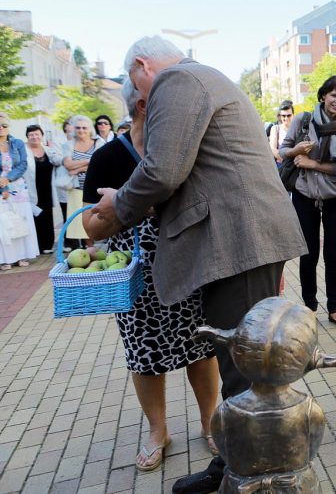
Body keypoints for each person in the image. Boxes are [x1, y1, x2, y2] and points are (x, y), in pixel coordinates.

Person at [90, 35, 307, 494]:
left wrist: (116, 209)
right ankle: (236, 464)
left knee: (247, 372)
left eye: (137, 90)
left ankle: (253, 474)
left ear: (142, 66)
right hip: (239, 241)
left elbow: (163, 171)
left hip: (238, 243)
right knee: (245, 365)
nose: (142, 103)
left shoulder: (176, 80)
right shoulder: (198, 78)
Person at [82, 77, 219, 472]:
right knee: (144, 355)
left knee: (202, 347)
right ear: (144, 106)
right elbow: (91, 226)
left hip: (188, 264)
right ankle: (158, 431)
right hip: (135, 278)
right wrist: (133, 207)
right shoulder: (107, 157)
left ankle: (210, 422)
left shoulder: (179, 151)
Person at [279, 79, 336, 328]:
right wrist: (296, 150)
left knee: (333, 255)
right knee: (308, 254)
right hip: (305, 195)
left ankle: (335, 308)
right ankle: (309, 307)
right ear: (323, 96)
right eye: (334, 95)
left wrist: (312, 163)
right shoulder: (303, 121)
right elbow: (283, 151)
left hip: (335, 197)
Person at [0, 113, 39, 270]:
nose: (1, 128)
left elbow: (23, 164)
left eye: (4, 125)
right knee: (4, 223)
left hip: (18, 188)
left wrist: (8, 180)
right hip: (1, 190)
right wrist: (3, 187)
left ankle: (22, 256)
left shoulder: (17, 143)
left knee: (21, 220)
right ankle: (6, 259)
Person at [61, 115, 102, 248]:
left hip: (96, 189)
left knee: (98, 220)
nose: (81, 130)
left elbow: (101, 164)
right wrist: (90, 161)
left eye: (84, 127)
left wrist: (77, 168)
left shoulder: (99, 142)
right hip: (76, 189)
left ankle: (97, 248)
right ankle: (89, 250)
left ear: (90, 129)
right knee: (79, 223)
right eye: (78, 127)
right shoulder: (69, 144)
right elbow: (68, 165)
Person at [24, 125, 62, 254]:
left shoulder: (48, 150)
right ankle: (37, 247)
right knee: (34, 218)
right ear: (27, 137)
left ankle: (47, 245)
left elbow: (58, 161)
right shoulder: (24, 150)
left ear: (41, 135)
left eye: (37, 134)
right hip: (31, 189)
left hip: (47, 189)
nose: (34, 137)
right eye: (31, 135)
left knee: (47, 216)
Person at [269, 100, 294, 165]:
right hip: (281, 166)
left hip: (296, 167)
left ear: (293, 115)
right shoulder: (276, 128)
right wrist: (285, 162)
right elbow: (273, 149)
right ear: (280, 116)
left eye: (289, 115)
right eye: (283, 116)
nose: (286, 118)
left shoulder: (298, 129)